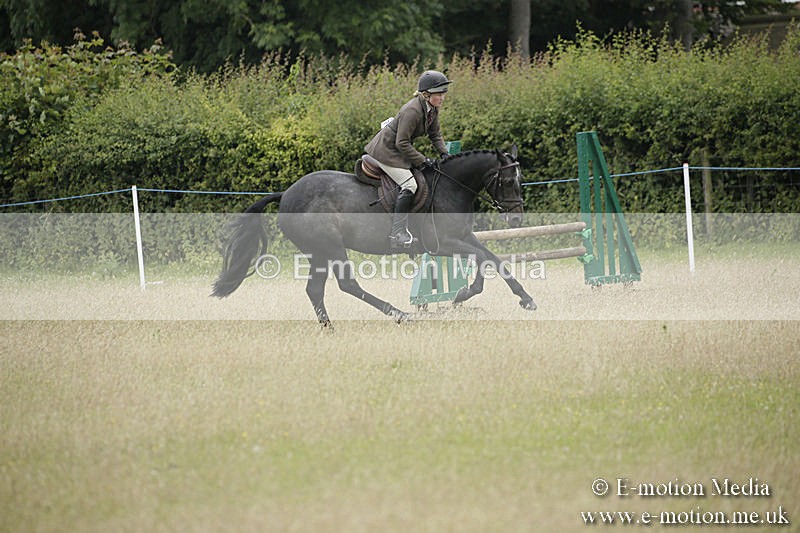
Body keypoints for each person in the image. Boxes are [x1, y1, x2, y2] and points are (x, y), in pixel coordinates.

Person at [365, 70, 452, 249]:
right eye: (439, 94)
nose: (443, 97)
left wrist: (444, 154)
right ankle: (397, 233)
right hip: (385, 151)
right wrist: (423, 160)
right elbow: (402, 143)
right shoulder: (412, 111)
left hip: (397, 149)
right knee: (410, 185)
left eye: (444, 93)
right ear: (427, 94)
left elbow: (435, 134)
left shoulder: (432, 109)